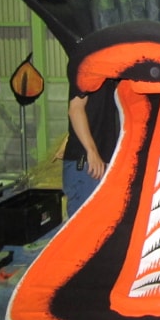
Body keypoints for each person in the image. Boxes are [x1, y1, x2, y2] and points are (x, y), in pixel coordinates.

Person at [62, 79, 119, 217]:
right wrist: (91, 151)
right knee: (84, 222)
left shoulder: (111, 73)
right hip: (87, 162)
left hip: (102, 160)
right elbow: (75, 109)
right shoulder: (85, 69)